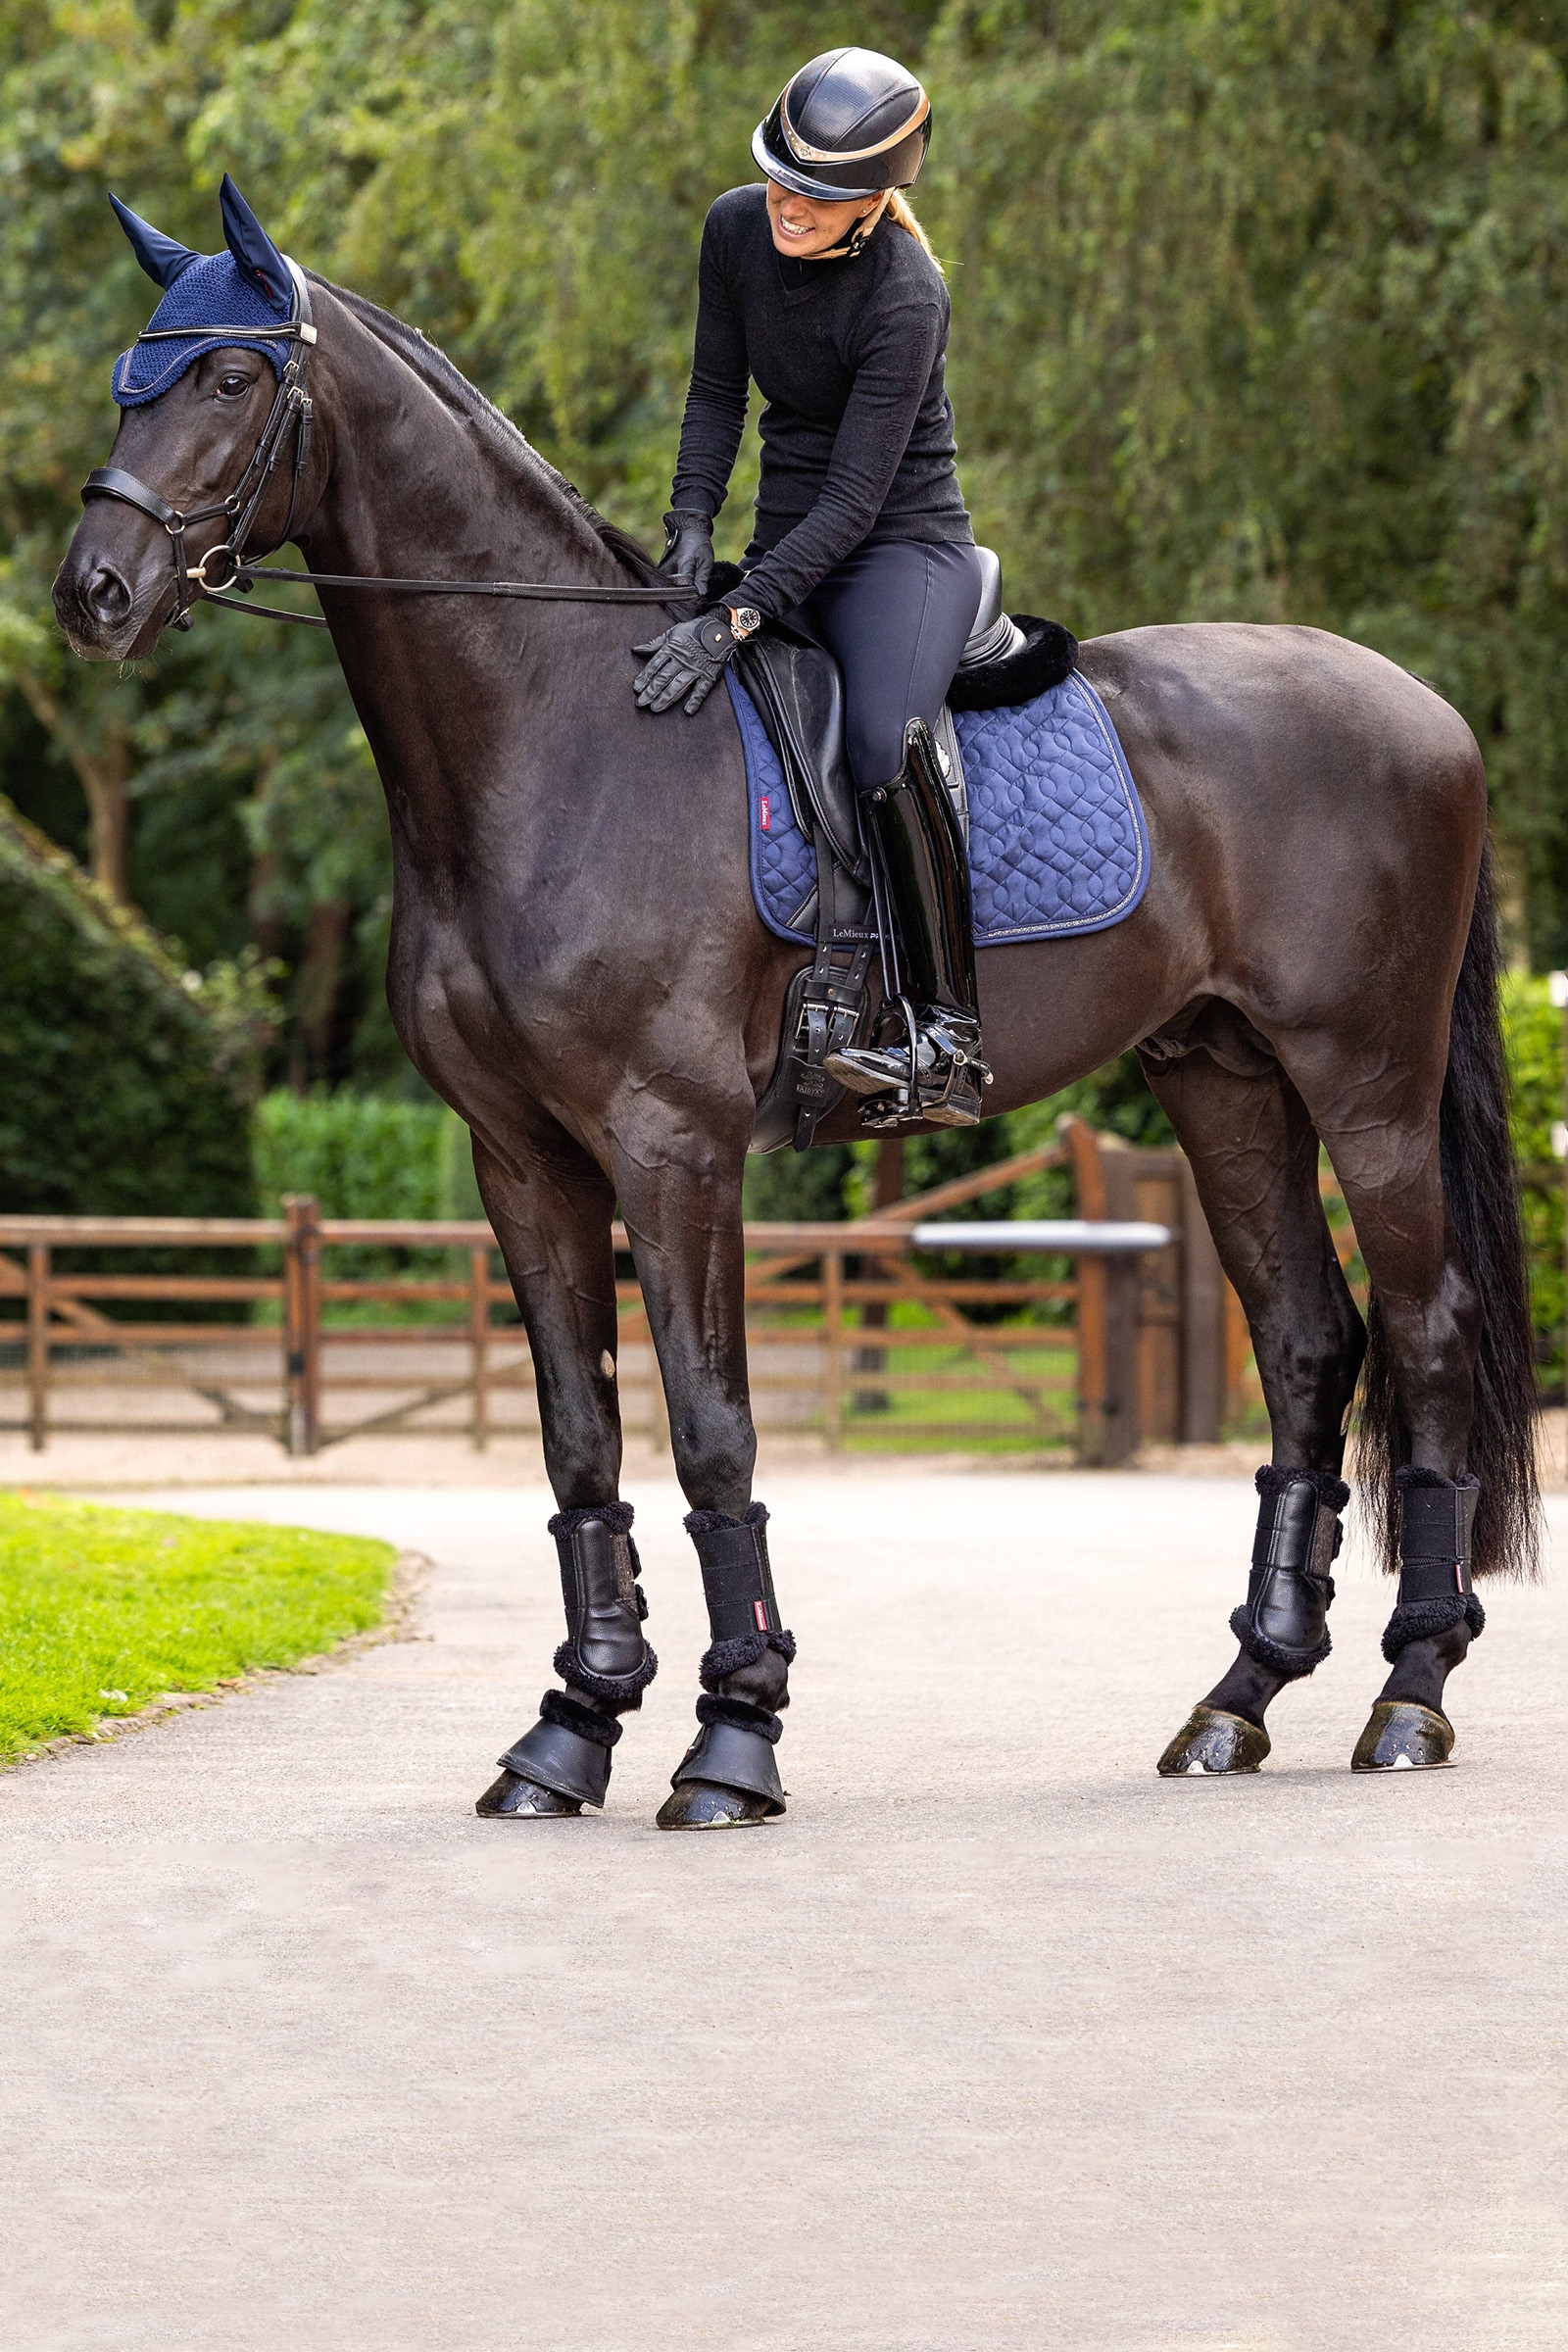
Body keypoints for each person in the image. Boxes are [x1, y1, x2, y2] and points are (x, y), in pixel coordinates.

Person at [631, 46, 989, 1127]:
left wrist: (739, 614)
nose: (791, 205)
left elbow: (853, 502)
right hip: (789, 531)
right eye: (783, 178)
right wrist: (691, 522)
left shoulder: (905, 294)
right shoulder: (735, 226)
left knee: (886, 741)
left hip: (897, 549)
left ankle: (946, 1038)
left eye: (821, 195)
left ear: (876, 199)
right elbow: (713, 393)